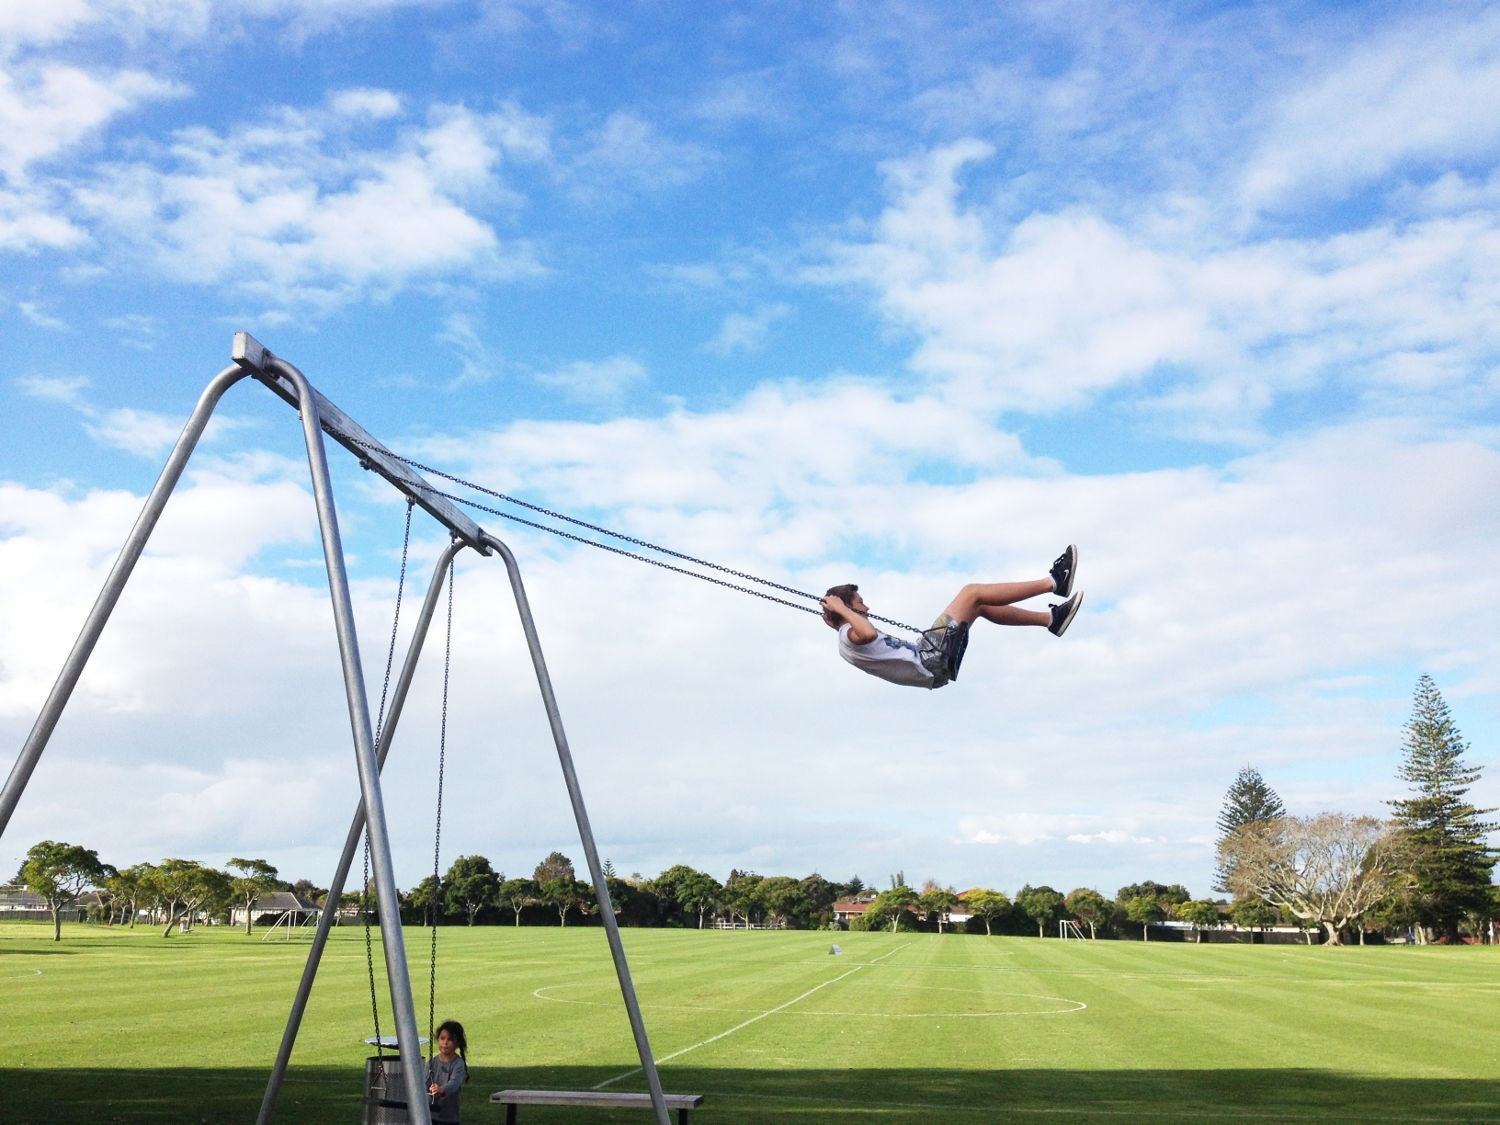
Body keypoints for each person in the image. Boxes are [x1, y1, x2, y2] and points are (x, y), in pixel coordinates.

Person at [819, 545, 1082, 690]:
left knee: (980, 605)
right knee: (971, 592)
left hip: (929, 664)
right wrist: (842, 610)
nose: (866, 608)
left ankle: (1051, 619)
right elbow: (868, 634)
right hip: (928, 660)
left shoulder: (849, 636)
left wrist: (840, 611)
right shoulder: (849, 636)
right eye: (860, 604)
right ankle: (1054, 582)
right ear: (847, 611)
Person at [426, 1019, 469, 1124]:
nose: (445, 1042)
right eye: (442, 1038)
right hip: (430, 1115)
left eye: (450, 1039)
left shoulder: (458, 1064)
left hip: (449, 1118)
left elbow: (454, 1083)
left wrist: (441, 1089)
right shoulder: (432, 1062)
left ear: (457, 1043)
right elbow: (424, 1080)